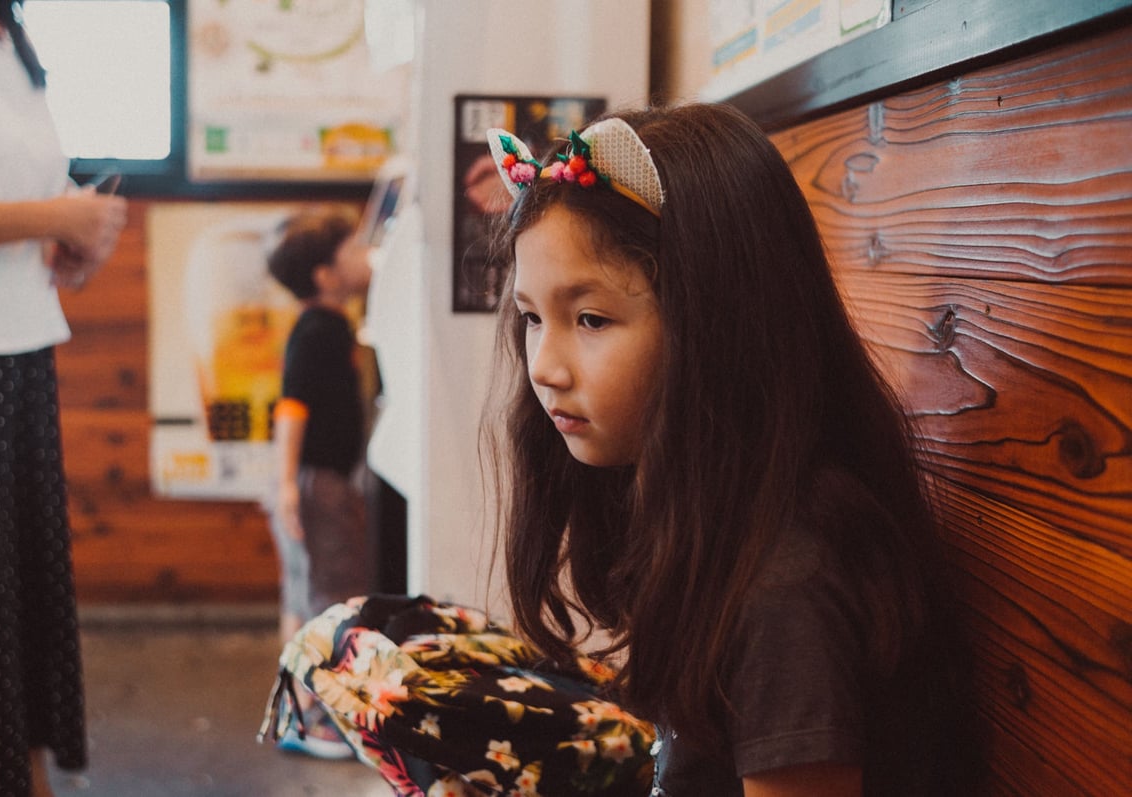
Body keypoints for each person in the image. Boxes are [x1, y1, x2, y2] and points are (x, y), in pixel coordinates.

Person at [481, 103, 986, 796]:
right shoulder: (714, 526)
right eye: (533, 318)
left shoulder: (786, 590)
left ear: (717, 322)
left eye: (590, 318)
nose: (543, 365)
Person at [0, 1, 127, 796]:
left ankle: (24, 775)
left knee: (17, 597)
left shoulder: (7, 37)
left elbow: (20, 212)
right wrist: (56, 213)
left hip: (21, 345)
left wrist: (72, 245)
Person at [265, 207, 374, 760]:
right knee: (331, 598)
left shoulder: (326, 324)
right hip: (315, 482)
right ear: (325, 276)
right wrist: (289, 483)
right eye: (353, 249)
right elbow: (292, 404)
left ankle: (297, 712)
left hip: (309, 480)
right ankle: (319, 719)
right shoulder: (321, 328)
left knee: (305, 594)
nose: (366, 256)